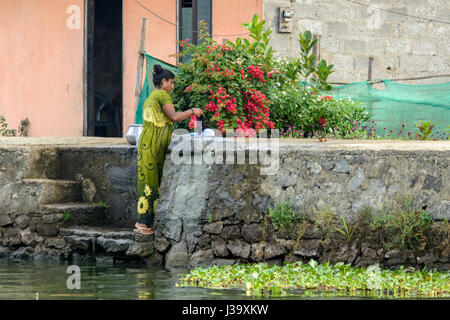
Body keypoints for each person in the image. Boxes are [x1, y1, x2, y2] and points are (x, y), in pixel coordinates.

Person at [134, 64, 203, 235]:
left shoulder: (153, 96)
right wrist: (193, 111)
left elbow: (161, 121)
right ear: (163, 82)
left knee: (150, 182)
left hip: (150, 144)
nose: (172, 86)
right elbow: (174, 116)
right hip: (151, 145)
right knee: (149, 182)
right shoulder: (162, 95)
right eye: (171, 82)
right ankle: (142, 223)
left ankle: (147, 223)